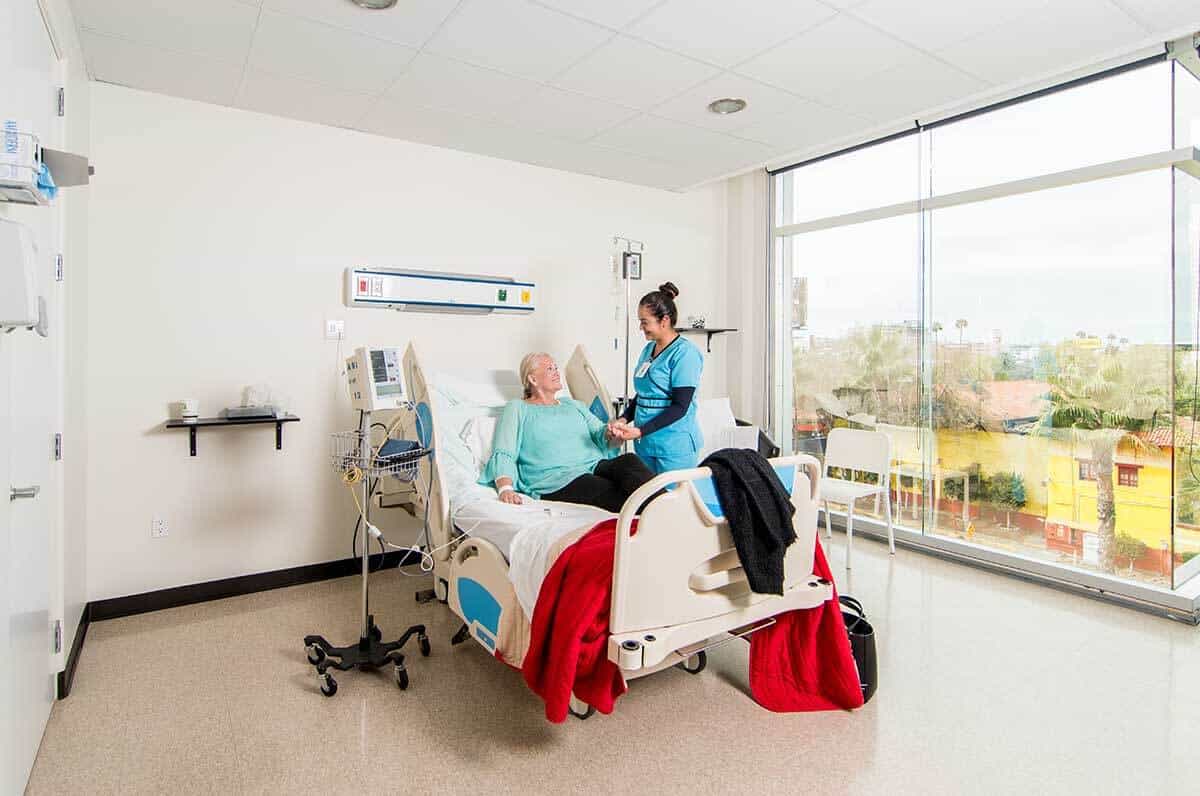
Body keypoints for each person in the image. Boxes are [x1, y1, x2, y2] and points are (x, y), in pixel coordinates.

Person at [480, 352, 655, 514]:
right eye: (550, 368)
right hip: (555, 479)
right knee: (612, 492)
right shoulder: (518, 408)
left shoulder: (572, 404)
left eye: (556, 367)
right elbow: (504, 451)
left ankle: (670, 508)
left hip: (594, 465)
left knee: (629, 461)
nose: (557, 372)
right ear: (532, 379)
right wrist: (505, 488)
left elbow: (599, 432)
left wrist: (612, 433)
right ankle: (665, 517)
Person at [608, 282, 704, 474]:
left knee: (671, 502)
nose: (641, 327)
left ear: (664, 320)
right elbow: (643, 395)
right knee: (650, 500)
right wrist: (623, 419)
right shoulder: (648, 350)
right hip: (646, 445)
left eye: (645, 322)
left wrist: (640, 430)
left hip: (674, 447)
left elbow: (680, 407)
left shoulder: (685, 354)